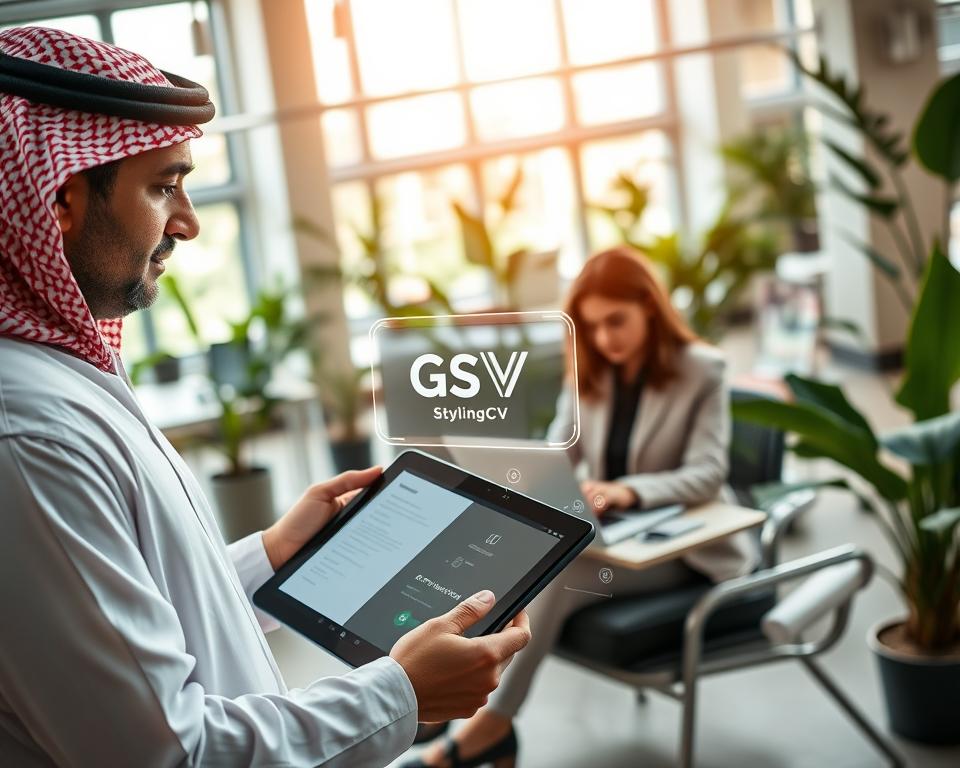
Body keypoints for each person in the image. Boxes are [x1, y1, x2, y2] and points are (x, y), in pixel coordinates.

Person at [0, 26, 529, 767]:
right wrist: (402, 693)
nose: (187, 221)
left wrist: (272, 555)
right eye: (163, 186)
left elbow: (141, 621)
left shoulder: (55, 376)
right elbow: (167, 754)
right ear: (57, 196)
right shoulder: (28, 436)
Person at [409, 247, 757, 767]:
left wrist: (627, 491)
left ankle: (489, 727)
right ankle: (447, 690)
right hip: (616, 539)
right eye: (592, 326)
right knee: (513, 553)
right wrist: (530, 478)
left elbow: (708, 473)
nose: (603, 337)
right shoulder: (590, 369)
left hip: (687, 551)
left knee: (561, 567)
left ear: (649, 307)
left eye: (616, 321)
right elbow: (558, 453)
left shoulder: (701, 370)